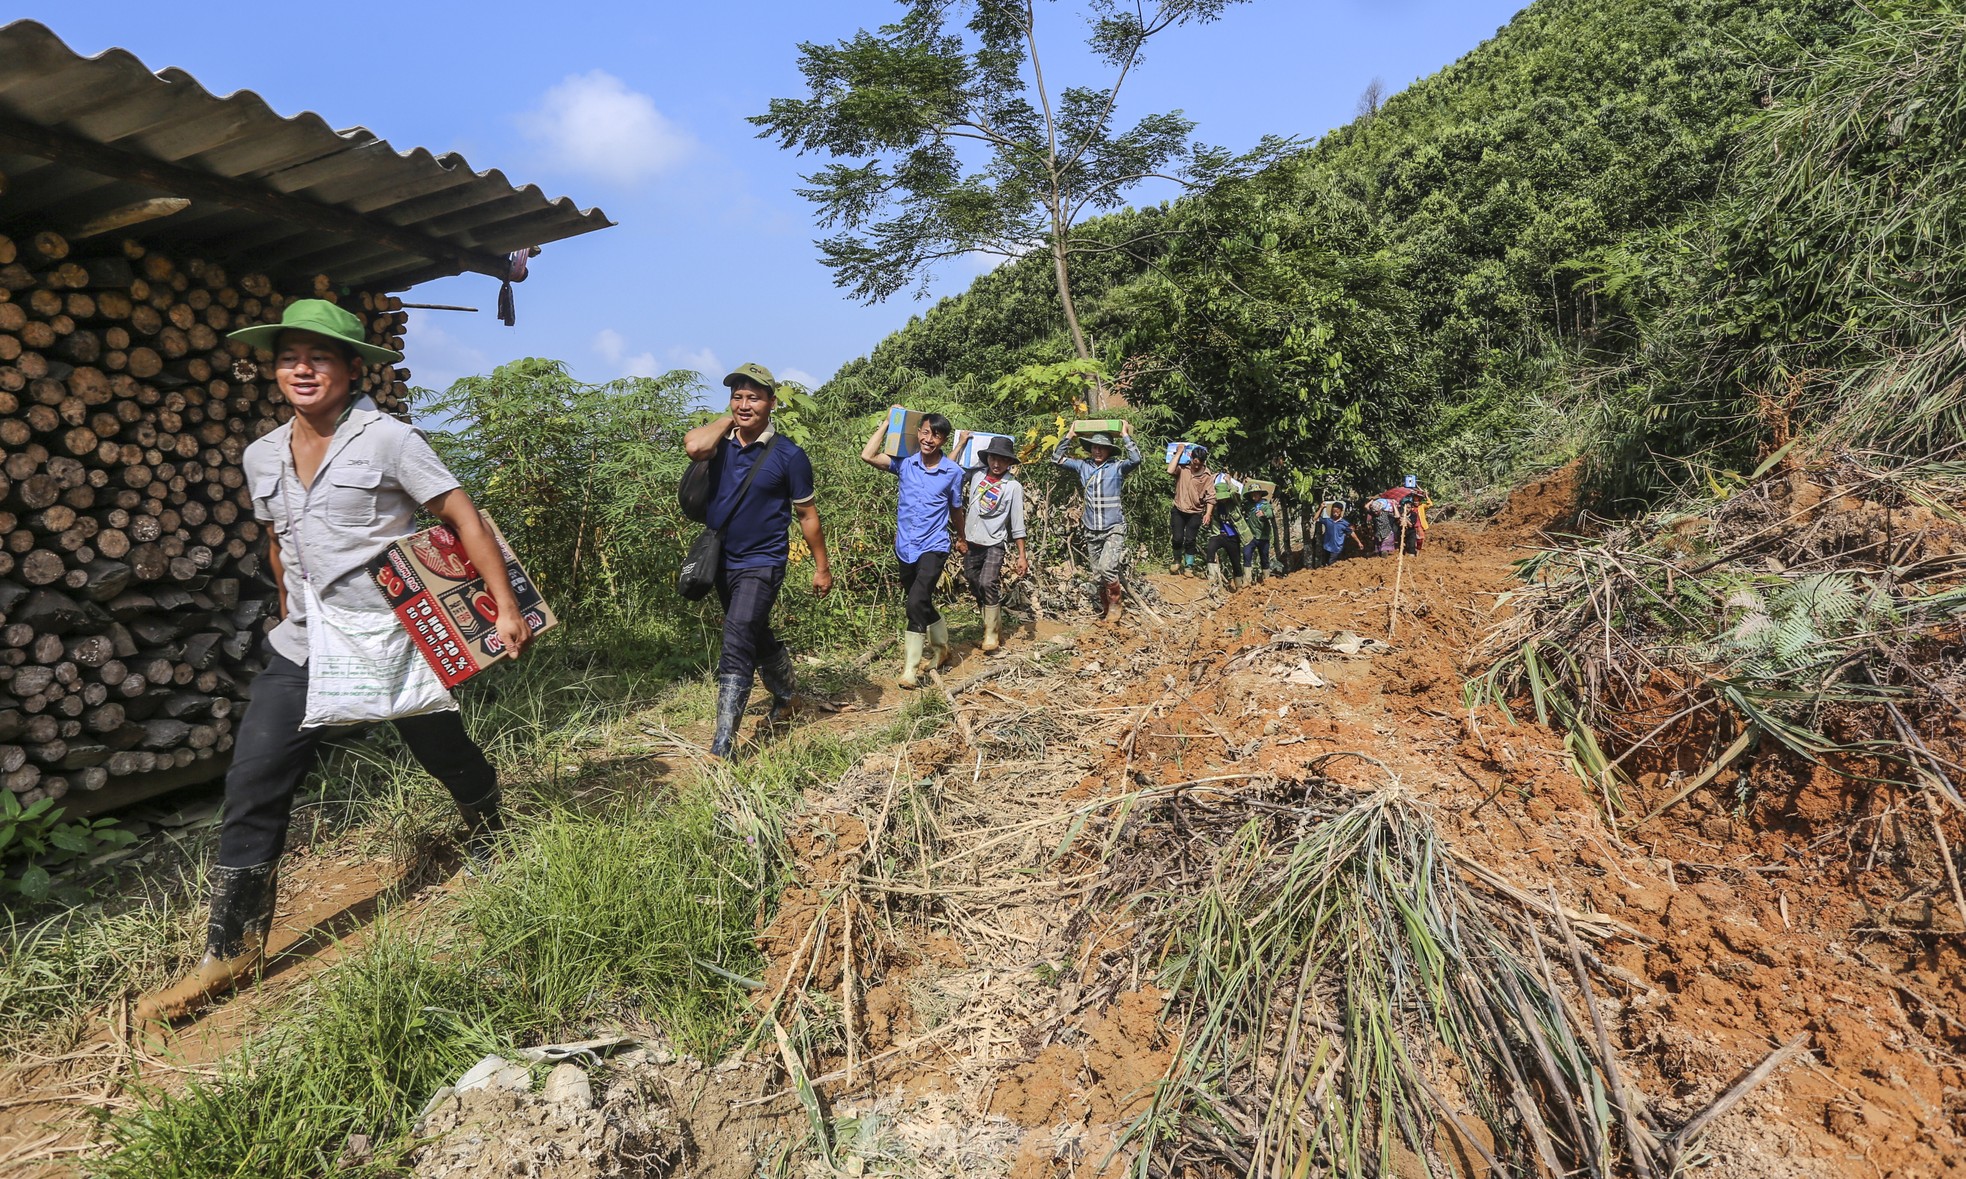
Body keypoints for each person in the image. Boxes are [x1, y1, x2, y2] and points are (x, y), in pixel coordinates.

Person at [137, 300, 534, 1023]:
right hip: (306, 644)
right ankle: (229, 948)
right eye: (289, 355)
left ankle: (488, 822)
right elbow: (278, 543)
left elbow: (462, 516)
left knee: (441, 746)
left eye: (319, 356)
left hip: (392, 639)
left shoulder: (389, 441)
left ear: (354, 369)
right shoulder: (262, 454)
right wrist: (291, 601)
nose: (301, 368)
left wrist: (504, 609)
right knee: (254, 774)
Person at [683, 363, 832, 758]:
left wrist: (822, 567)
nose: (744, 404)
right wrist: (727, 419)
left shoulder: (789, 455)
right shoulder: (719, 444)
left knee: (736, 636)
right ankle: (786, 695)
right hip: (721, 561)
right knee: (752, 629)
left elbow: (807, 515)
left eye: (754, 397)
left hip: (763, 561)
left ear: (772, 403)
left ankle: (723, 745)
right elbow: (694, 447)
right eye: (737, 396)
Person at [862, 409, 966, 687]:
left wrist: (962, 536)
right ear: (917, 432)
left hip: (934, 545)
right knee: (918, 600)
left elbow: (956, 509)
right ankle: (943, 649)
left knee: (914, 602)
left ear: (944, 440)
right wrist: (887, 424)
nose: (928, 439)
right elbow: (868, 455)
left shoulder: (953, 472)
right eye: (925, 431)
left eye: (936, 435)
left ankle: (910, 669)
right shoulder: (906, 464)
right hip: (905, 546)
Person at [1051, 423, 1141, 622]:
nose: (1098, 450)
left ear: (1109, 450)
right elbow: (1056, 459)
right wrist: (1070, 435)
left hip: (1113, 527)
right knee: (1098, 574)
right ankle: (1106, 607)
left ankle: (1116, 603)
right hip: (1092, 528)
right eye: (1095, 447)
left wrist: (1125, 435)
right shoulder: (1083, 466)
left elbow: (1136, 459)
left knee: (1108, 568)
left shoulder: (1117, 467)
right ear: (1090, 449)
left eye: (1102, 447)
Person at [961, 435, 1028, 653]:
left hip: (995, 542)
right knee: (973, 579)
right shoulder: (977, 476)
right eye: (993, 458)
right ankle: (990, 619)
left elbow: (1017, 522)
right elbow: (951, 472)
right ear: (987, 458)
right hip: (972, 540)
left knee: (988, 581)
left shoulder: (1012, 486)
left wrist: (1021, 555)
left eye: (1002, 460)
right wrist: (962, 442)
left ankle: (991, 634)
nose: (996, 464)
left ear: (1009, 463)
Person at [1166, 443, 1214, 576]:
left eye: (1200, 463)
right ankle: (1176, 560)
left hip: (1195, 512)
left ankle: (1189, 566)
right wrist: (1179, 452)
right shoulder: (1183, 469)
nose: (1197, 466)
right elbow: (1170, 470)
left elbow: (1211, 497)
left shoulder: (1206, 476)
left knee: (1190, 540)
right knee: (1177, 538)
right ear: (1191, 459)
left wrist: (1208, 513)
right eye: (1195, 462)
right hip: (1179, 509)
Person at [1205, 501, 1245, 591]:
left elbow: (1237, 497)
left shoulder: (1235, 506)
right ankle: (1212, 579)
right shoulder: (1215, 507)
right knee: (1211, 549)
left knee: (1236, 562)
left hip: (1233, 536)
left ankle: (1239, 586)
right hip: (1219, 534)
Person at [1242, 486, 1275, 586]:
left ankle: (1267, 580)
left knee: (1264, 558)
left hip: (1263, 537)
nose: (1254, 496)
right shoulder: (1248, 505)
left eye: (1256, 493)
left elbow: (1270, 514)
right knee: (1247, 556)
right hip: (1250, 536)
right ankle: (1247, 581)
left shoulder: (1265, 505)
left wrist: (1263, 513)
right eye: (1252, 494)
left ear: (1260, 494)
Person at [1312, 502, 1353, 568]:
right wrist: (1321, 508)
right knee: (1326, 563)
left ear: (1341, 511)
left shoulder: (1344, 523)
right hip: (1327, 546)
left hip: (1337, 548)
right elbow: (1315, 518)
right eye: (1334, 511)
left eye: (1337, 511)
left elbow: (1351, 532)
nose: (1335, 513)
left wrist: (1359, 542)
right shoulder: (1328, 520)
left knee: (1332, 563)